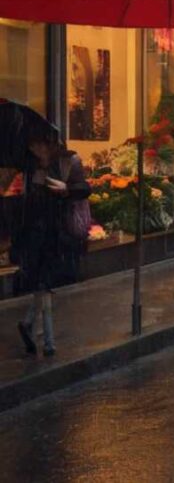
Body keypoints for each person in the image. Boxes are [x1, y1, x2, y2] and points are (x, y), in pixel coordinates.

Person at [12, 130, 90, 358]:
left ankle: (30, 326)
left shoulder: (69, 162)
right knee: (42, 284)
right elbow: (26, 199)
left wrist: (66, 190)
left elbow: (84, 188)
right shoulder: (30, 166)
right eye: (32, 145)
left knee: (44, 284)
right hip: (35, 231)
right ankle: (48, 341)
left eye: (38, 144)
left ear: (49, 144)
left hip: (58, 230)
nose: (35, 149)